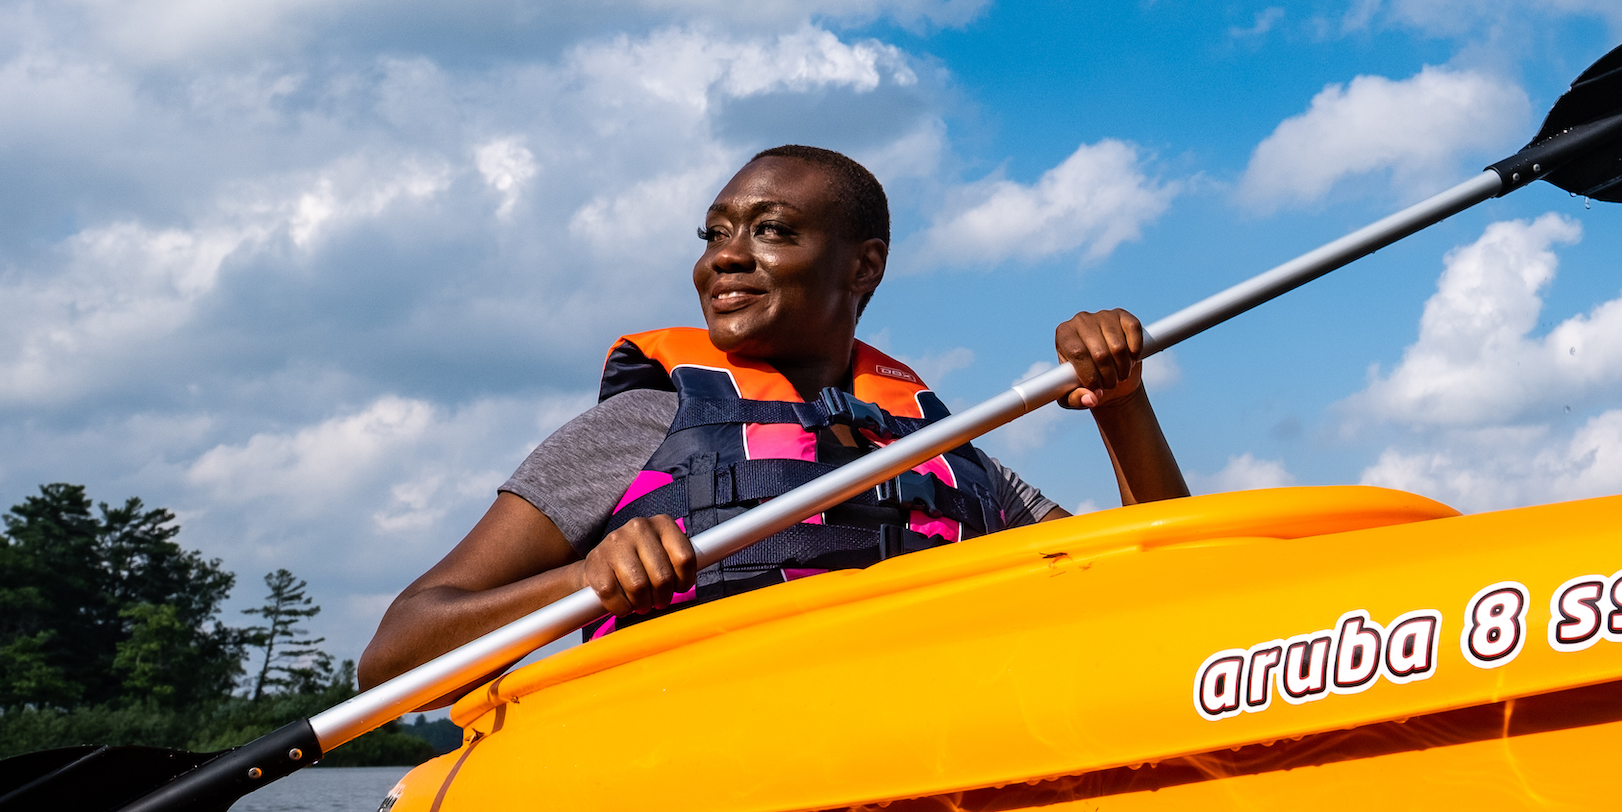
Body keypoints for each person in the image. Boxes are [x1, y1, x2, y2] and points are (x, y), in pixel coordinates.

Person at [357, 144, 1187, 691]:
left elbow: (1164, 593)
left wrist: (1122, 403)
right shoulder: (640, 426)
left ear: (863, 267)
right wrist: (581, 581)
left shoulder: (947, 455)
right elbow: (394, 656)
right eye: (714, 233)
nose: (724, 255)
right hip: (681, 759)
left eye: (772, 231)